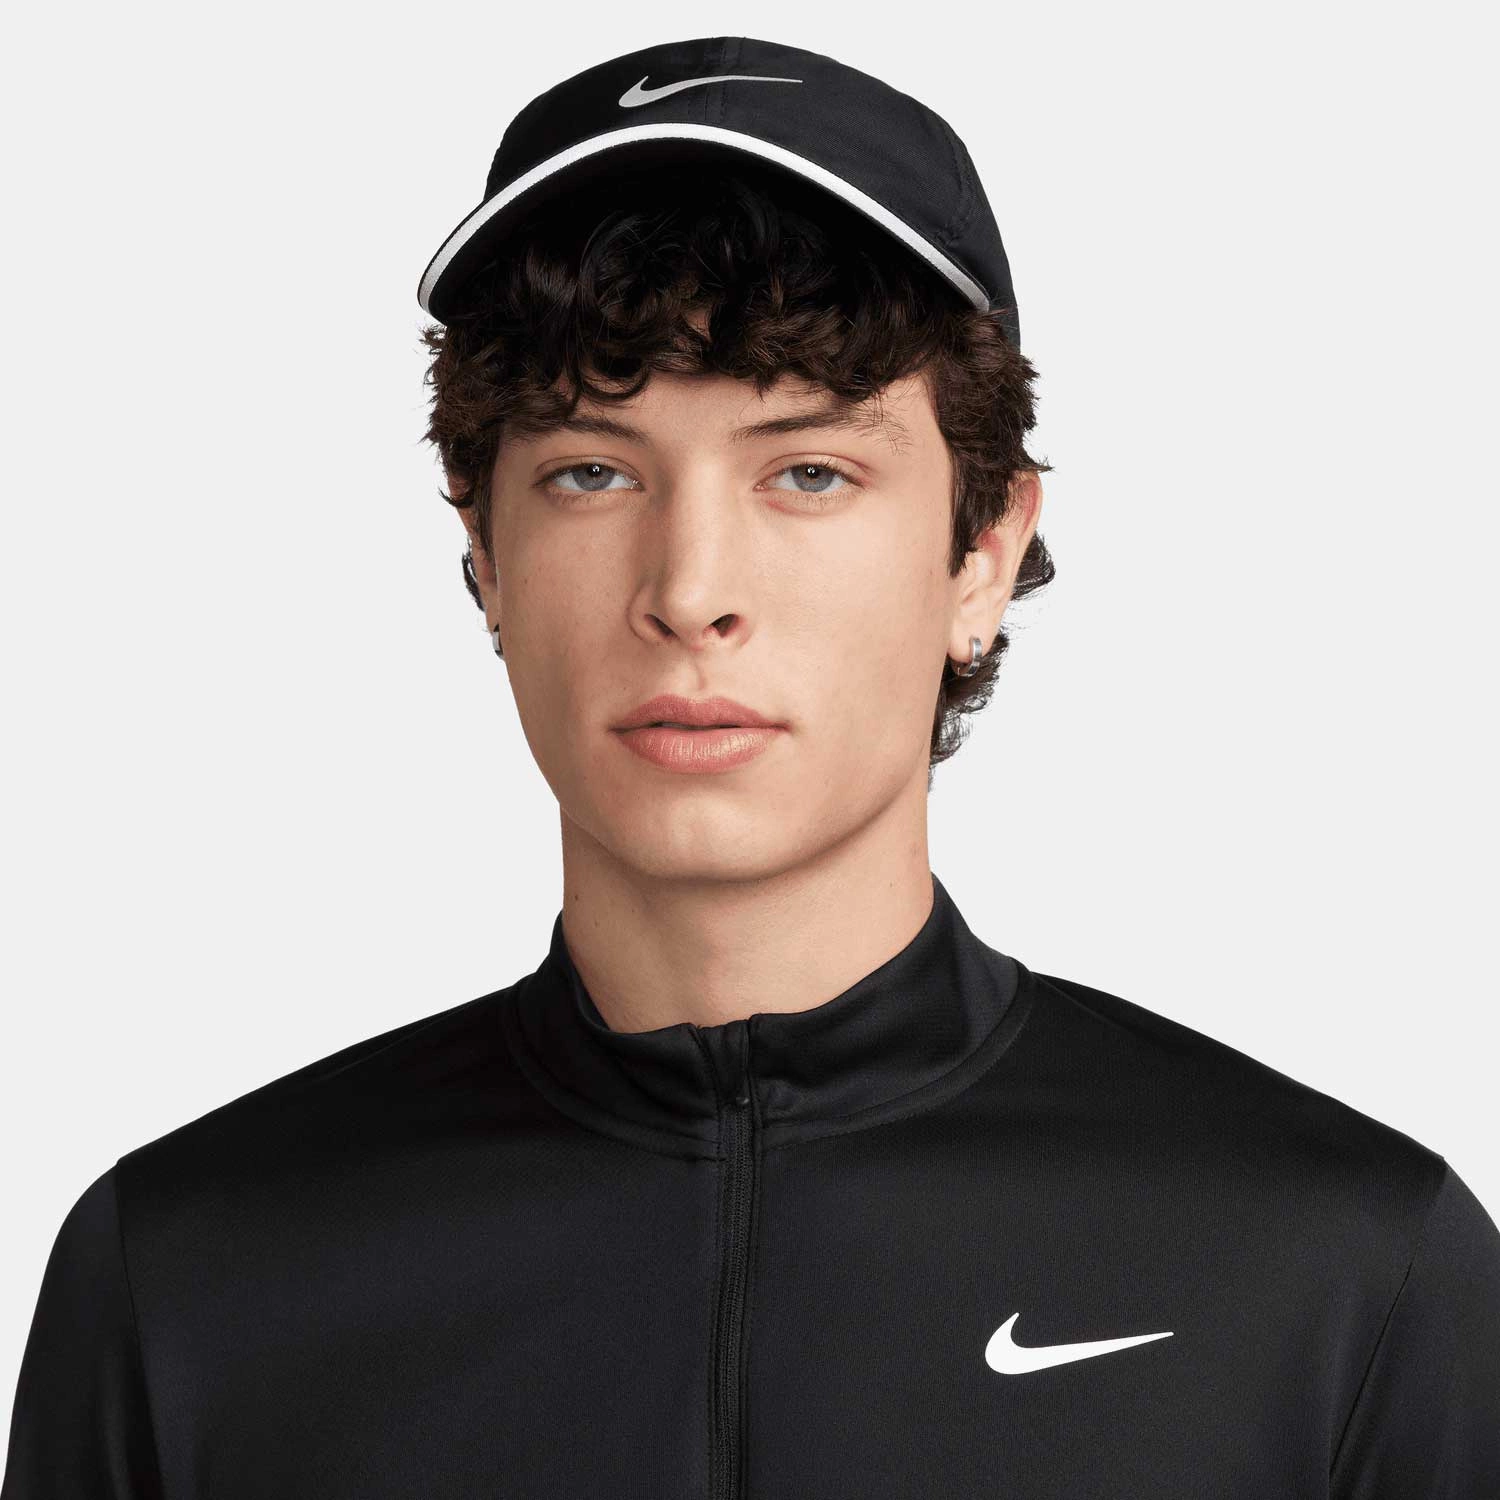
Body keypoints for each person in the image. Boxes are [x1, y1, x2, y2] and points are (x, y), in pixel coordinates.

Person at [4, 33, 1498, 1500]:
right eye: (593, 470)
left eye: (809, 471)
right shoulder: (189, 1283)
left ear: (983, 552)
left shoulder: (1346, 1277)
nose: (691, 589)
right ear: (485, 552)